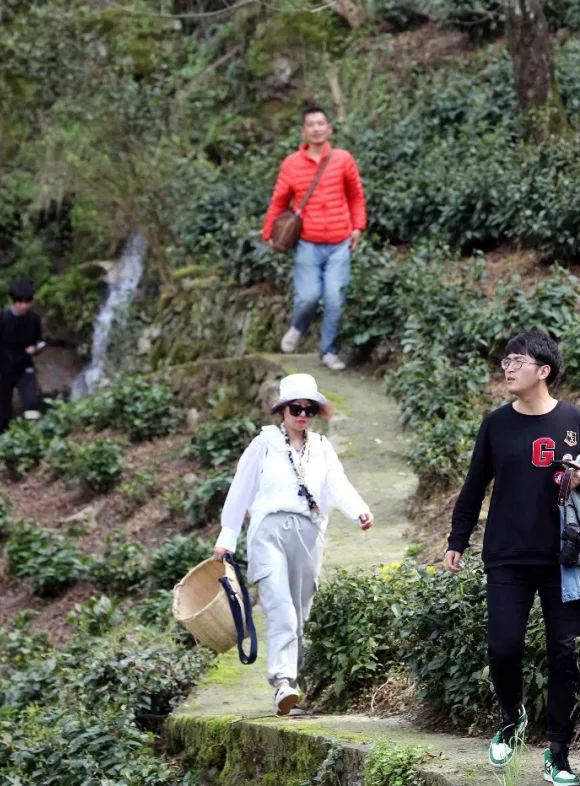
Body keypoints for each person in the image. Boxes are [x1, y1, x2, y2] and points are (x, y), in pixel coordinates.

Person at [444, 332, 580, 786]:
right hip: (507, 557)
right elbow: (474, 486)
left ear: (543, 371)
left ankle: (559, 753)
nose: (508, 368)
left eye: (518, 360)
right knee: (504, 646)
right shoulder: (496, 424)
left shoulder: (576, 421)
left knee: (565, 654)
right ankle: (511, 719)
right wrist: (458, 538)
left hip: (564, 558)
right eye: (506, 361)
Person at [213, 372, 374, 716]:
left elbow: (337, 483)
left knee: (300, 611)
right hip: (268, 530)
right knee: (279, 606)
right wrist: (227, 538)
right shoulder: (263, 444)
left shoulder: (322, 448)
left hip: (308, 530)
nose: (302, 415)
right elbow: (240, 490)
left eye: (309, 409)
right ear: (283, 410)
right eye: (295, 408)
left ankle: (293, 687)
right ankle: (282, 682)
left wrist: (359, 510)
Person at [262, 106, 367, 372]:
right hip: (307, 243)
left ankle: (329, 351)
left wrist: (358, 227)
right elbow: (279, 202)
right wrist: (268, 234)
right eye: (312, 124)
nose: (317, 128)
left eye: (322, 124)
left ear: (329, 129)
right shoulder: (291, 164)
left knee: (334, 298)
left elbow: (356, 195)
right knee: (308, 297)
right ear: (304, 131)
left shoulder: (343, 159)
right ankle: (298, 327)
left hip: (339, 242)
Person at [0, 281, 44, 435]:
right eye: (20, 302)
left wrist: (36, 349)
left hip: (24, 368)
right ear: (12, 301)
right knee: (4, 415)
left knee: (32, 404)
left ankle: (33, 437)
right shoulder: (1, 318)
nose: (24, 306)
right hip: (2, 370)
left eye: (27, 302)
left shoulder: (34, 319)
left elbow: (41, 341)